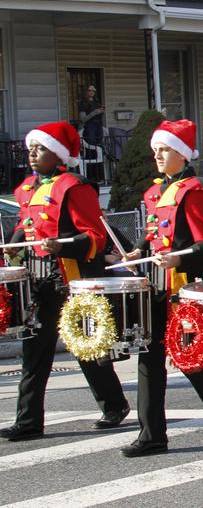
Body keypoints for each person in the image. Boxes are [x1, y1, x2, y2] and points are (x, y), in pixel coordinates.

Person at [118, 120, 203, 457]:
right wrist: (138, 250)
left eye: (165, 150)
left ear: (183, 154)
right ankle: (151, 434)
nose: (157, 155)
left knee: (190, 359)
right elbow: (155, 235)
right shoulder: (155, 192)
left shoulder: (195, 190)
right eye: (156, 150)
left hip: (183, 286)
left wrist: (178, 261)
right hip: (154, 285)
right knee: (148, 357)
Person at [0, 122, 130, 442]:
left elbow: (96, 238)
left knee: (85, 346)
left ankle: (114, 405)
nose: (32, 153)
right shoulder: (28, 187)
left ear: (57, 154)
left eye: (40, 148)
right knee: (35, 350)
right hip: (38, 278)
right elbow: (26, 225)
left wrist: (62, 245)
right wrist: (15, 243)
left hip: (72, 276)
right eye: (31, 148)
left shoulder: (74, 186)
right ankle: (29, 420)